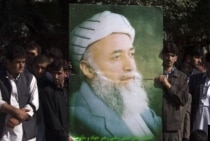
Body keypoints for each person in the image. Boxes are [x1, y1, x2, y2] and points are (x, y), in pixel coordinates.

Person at [69, 10, 161, 140]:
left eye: (131, 54)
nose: (130, 67)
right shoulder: (78, 114)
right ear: (88, 69)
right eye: (116, 57)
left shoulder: (131, 100)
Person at [0, 45, 39, 141]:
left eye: (23, 62)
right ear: (8, 63)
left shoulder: (30, 78)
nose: (21, 65)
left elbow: (34, 104)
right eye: (18, 62)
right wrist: (17, 112)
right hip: (4, 131)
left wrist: (18, 119)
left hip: (27, 131)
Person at [154, 42, 189, 141]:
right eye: (167, 55)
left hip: (172, 126)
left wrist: (167, 85)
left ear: (176, 58)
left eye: (172, 56)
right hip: (155, 123)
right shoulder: (155, 74)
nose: (169, 58)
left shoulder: (182, 77)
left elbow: (183, 99)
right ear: (163, 56)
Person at [41, 59, 72, 141]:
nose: (55, 77)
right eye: (53, 73)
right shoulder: (47, 91)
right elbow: (52, 119)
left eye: (59, 73)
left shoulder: (71, 88)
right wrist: (65, 137)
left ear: (66, 73)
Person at [31, 54, 52, 141]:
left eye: (43, 68)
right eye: (37, 67)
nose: (39, 71)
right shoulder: (28, 78)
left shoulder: (50, 79)